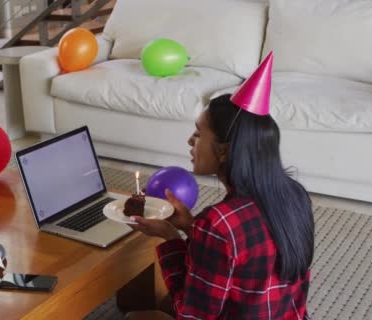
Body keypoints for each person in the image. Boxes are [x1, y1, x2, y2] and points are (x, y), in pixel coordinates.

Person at [127, 53, 314, 320]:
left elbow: (192, 315)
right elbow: (245, 255)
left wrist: (170, 238)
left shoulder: (219, 224)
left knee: (136, 318)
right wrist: (190, 227)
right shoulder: (295, 194)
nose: (191, 141)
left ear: (224, 152)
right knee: (165, 303)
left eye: (199, 133)